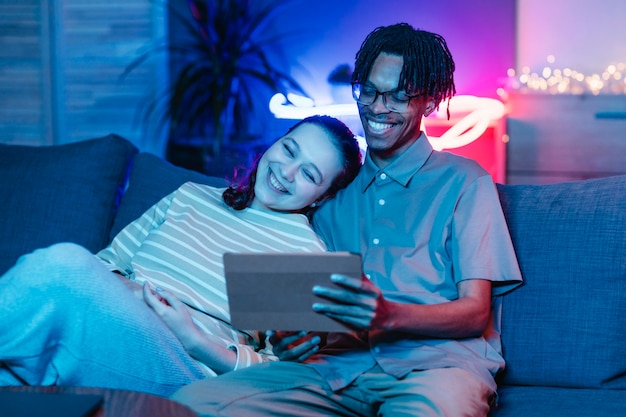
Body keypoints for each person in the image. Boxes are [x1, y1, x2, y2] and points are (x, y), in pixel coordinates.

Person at [171, 23, 523, 417]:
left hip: (439, 368)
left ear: (428, 102)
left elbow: (475, 313)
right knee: (194, 404)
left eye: (398, 96)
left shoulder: (464, 181)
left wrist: (390, 315)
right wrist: (290, 339)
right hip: (335, 371)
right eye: (368, 90)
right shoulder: (330, 194)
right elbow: (313, 308)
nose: (376, 107)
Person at [0, 115, 361, 397]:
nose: (286, 170)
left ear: (320, 197)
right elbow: (106, 264)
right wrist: (139, 295)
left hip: (184, 364)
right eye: (289, 149)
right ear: (275, 142)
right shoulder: (191, 196)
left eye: (309, 174)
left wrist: (195, 339)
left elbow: (281, 373)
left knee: (61, 263)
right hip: (115, 325)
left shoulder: (302, 253)